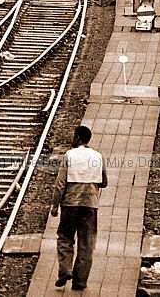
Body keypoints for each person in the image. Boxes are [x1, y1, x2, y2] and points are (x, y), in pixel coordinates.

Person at [50, 125, 108, 291]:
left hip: (70, 205)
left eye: (73, 136)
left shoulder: (69, 155)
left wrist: (54, 206)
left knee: (65, 237)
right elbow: (104, 182)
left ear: (77, 138)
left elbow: (60, 184)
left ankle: (65, 270)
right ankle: (80, 281)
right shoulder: (98, 156)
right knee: (86, 243)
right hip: (90, 205)